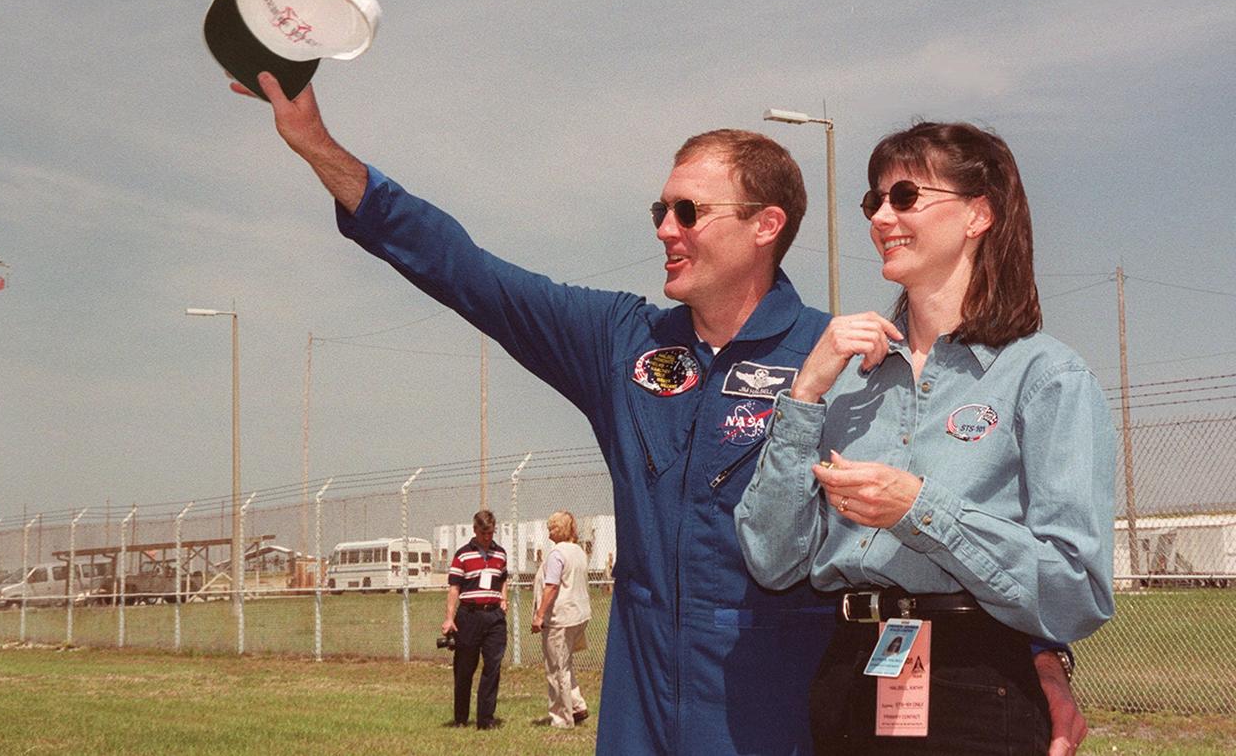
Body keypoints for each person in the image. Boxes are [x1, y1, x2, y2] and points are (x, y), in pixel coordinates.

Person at [235, 73, 1090, 755]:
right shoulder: (621, 341)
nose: (665, 230)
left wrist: (1037, 656)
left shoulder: (839, 358)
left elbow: (944, 511)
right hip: (643, 702)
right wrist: (320, 148)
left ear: (766, 225)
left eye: (688, 211)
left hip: (784, 707)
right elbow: (467, 270)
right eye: (660, 211)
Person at [735, 122, 1116, 755]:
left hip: (977, 687)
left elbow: (1074, 591)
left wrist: (921, 510)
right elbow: (772, 561)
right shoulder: (849, 382)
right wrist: (803, 397)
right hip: (849, 680)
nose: (882, 217)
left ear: (978, 214)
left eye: (905, 196)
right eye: (873, 201)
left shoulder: (1046, 377)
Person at [442, 509, 509, 729]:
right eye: (483, 533)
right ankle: (461, 718)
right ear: (475, 530)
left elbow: (503, 579)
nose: (487, 537)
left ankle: (485, 720)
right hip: (469, 616)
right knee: (464, 669)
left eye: (491, 533)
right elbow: (454, 589)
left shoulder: (500, 554)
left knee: (493, 666)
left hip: (494, 618)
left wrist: (503, 600)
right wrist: (449, 618)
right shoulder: (462, 555)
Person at [531, 510, 592, 728]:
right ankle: (577, 705)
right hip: (579, 615)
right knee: (565, 665)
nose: (549, 535)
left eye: (551, 529)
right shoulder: (578, 552)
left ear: (560, 530)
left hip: (560, 618)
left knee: (556, 669)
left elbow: (552, 586)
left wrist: (539, 615)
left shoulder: (557, 554)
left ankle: (561, 718)